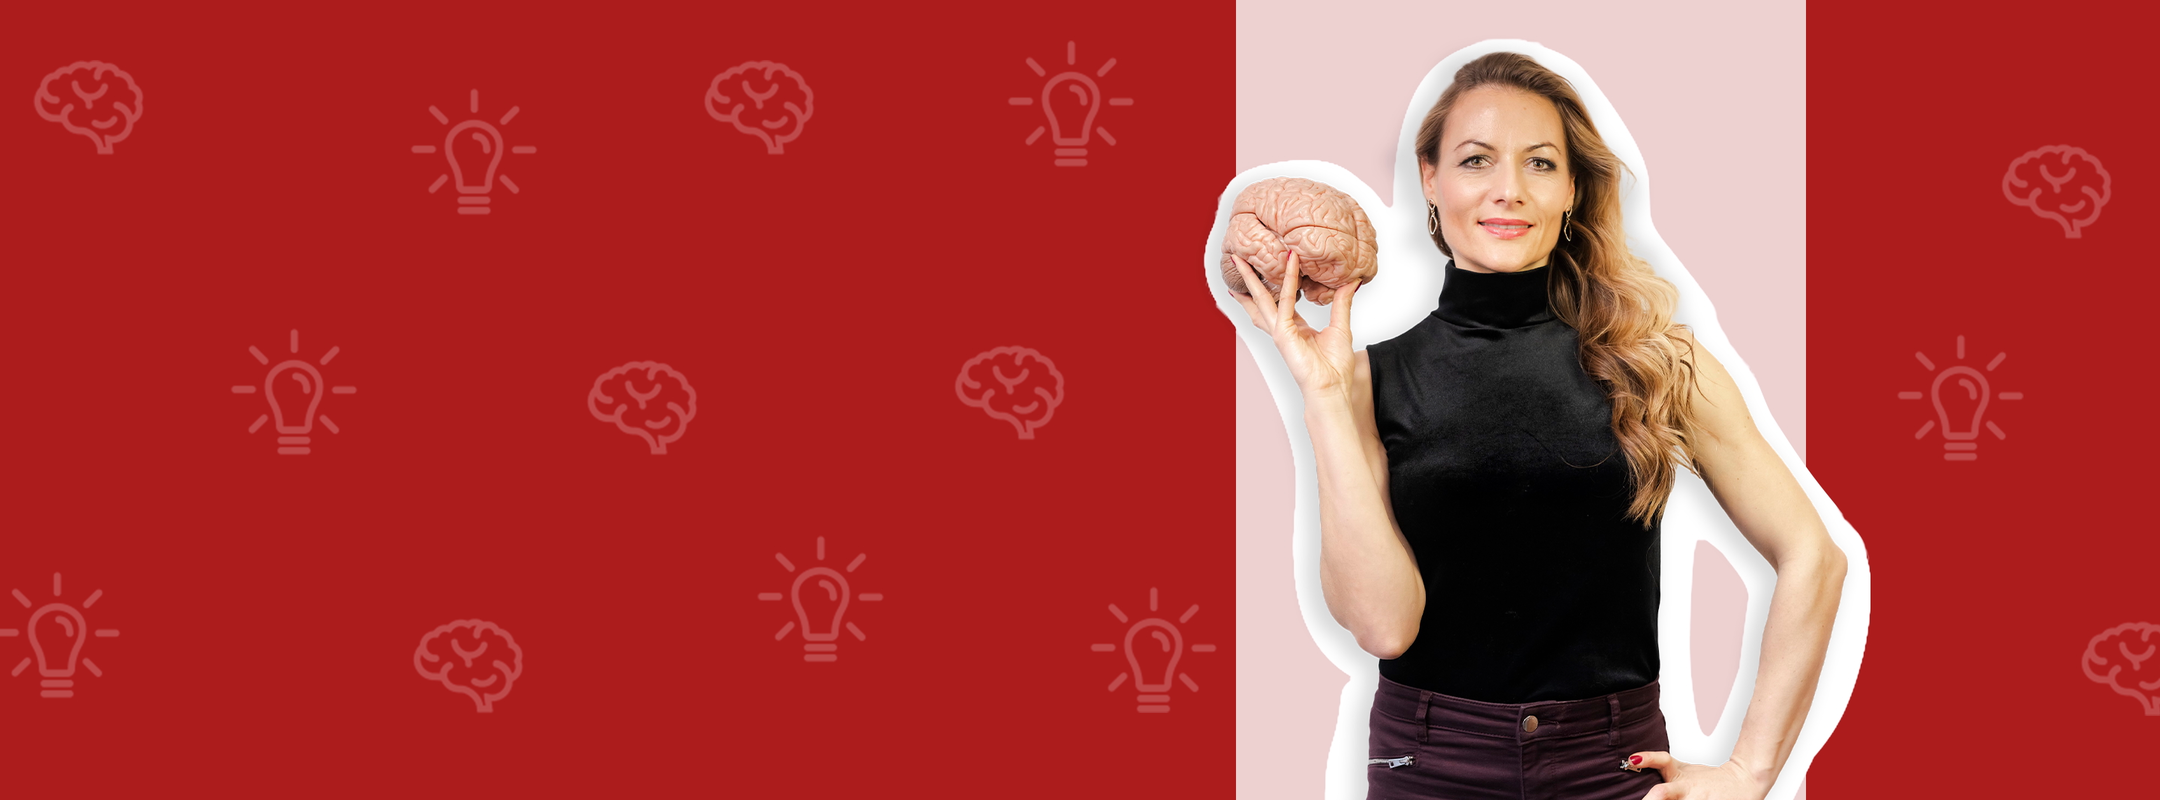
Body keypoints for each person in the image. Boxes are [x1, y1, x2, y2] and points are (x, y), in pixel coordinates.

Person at [1226, 52, 1846, 800]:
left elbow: (1813, 555)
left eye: (1541, 164)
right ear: (1430, 178)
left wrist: (1751, 771)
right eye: (1476, 160)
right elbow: (1385, 628)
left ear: (1572, 189)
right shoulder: (1362, 381)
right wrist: (1323, 397)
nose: (1508, 191)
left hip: (1612, 767)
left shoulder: (1658, 361)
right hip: (1429, 764)